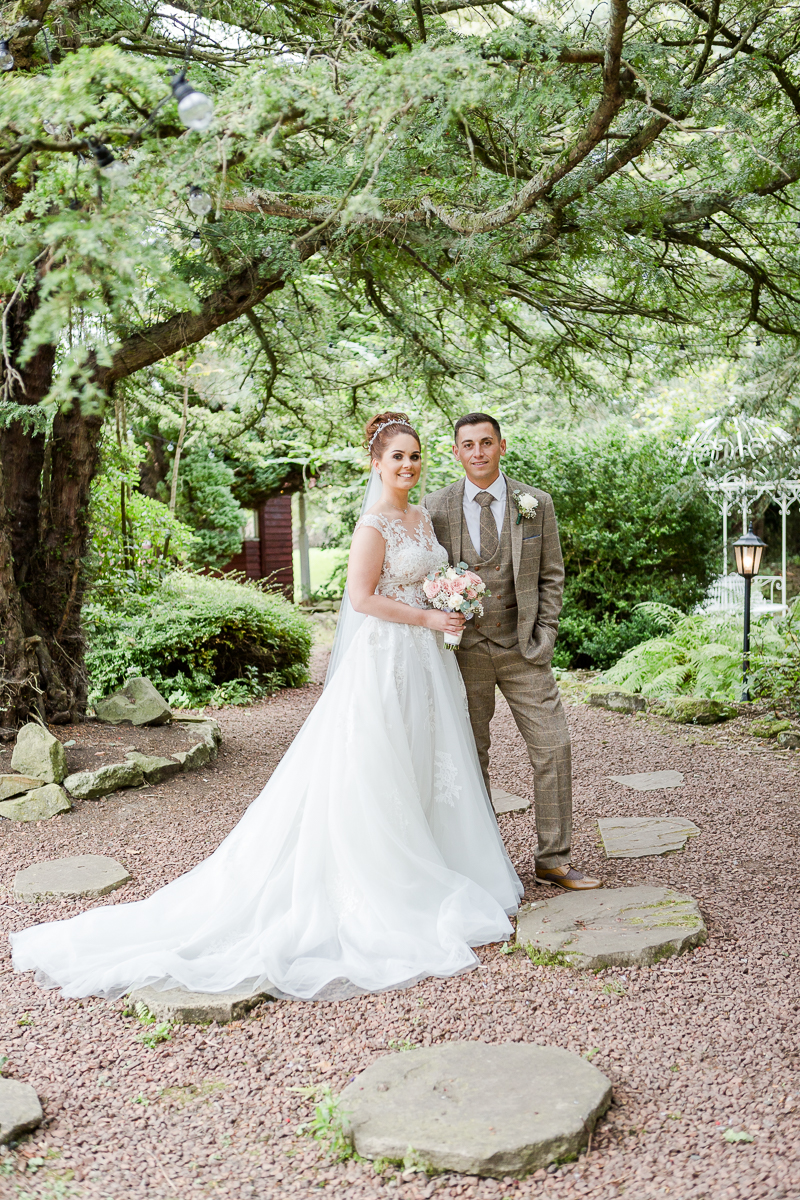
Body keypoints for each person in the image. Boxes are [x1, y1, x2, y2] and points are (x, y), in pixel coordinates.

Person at [11, 413, 522, 1003]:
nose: (407, 466)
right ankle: (388, 885)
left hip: (427, 665)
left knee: (428, 766)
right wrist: (430, 614)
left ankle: (445, 866)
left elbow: (425, 576)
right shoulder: (373, 523)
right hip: (385, 664)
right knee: (378, 773)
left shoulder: (421, 517)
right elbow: (360, 598)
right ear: (374, 464)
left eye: (414, 456)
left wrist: (447, 596)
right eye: (396, 458)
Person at [424, 413, 600, 890]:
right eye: (468, 445)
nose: (478, 452)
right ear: (455, 451)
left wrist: (545, 633)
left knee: (554, 745)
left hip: (524, 648)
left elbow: (552, 574)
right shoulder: (434, 506)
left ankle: (554, 859)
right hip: (464, 653)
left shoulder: (535, 503)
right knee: (470, 754)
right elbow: (424, 580)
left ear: (502, 446)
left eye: (486, 443)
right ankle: (482, 863)